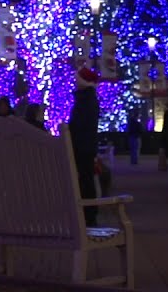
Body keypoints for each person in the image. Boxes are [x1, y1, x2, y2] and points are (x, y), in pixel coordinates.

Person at [69, 67, 102, 227]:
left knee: (85, 180)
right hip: (85, 146)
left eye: (77, 79)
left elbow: (79, 125)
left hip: (82, 147)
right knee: (85, 179)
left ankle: (88, 215)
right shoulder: (88, 99)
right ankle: (88, 213)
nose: (75, 81)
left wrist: (70, 132)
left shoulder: (85, 101)